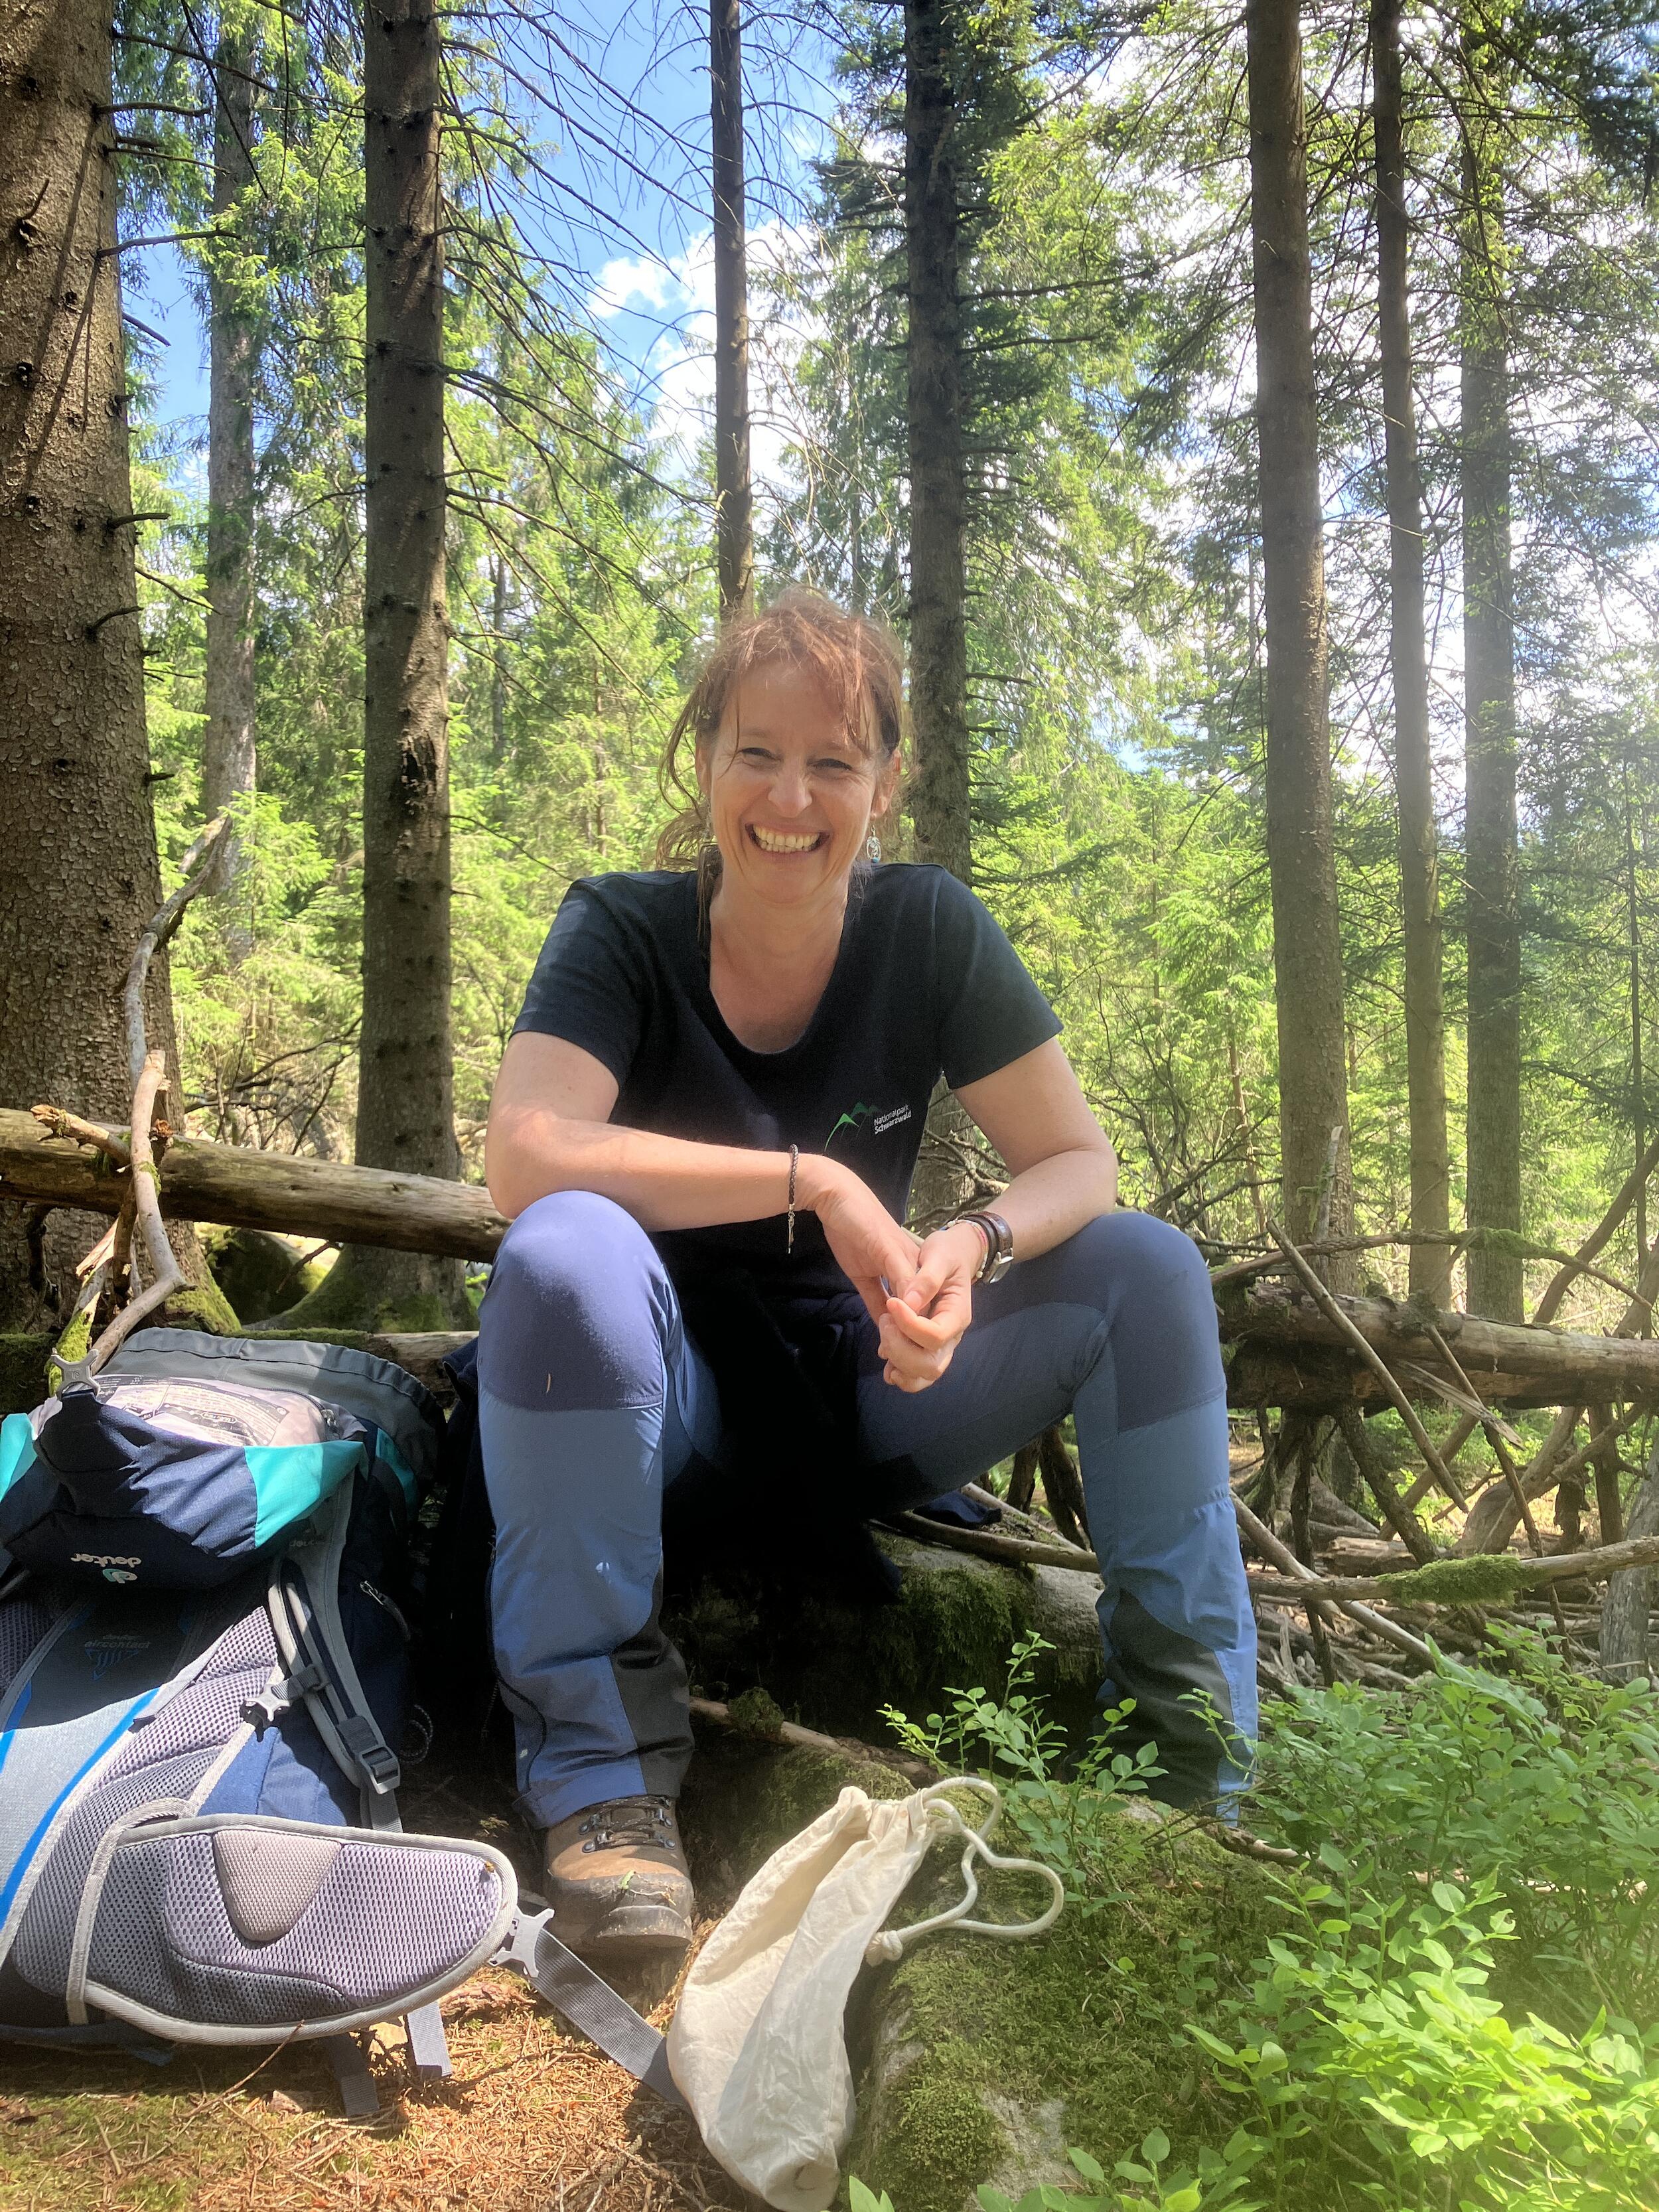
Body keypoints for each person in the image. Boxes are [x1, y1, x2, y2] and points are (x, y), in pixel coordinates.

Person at [481, 589, 1256, 1968]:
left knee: (1147, 1267)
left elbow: (1079, 1160)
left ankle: (1192, 1775)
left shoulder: (928, 931)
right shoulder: (622, 929)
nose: (791, 796)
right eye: (754, 752)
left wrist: (965, 1250)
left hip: (867, 1392)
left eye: (833, 761)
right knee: (563, 1247)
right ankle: (600, 1784)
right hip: (658, 1413)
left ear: (883, 783)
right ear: (703, 762)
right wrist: (816, 1178)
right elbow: (527, 1154)